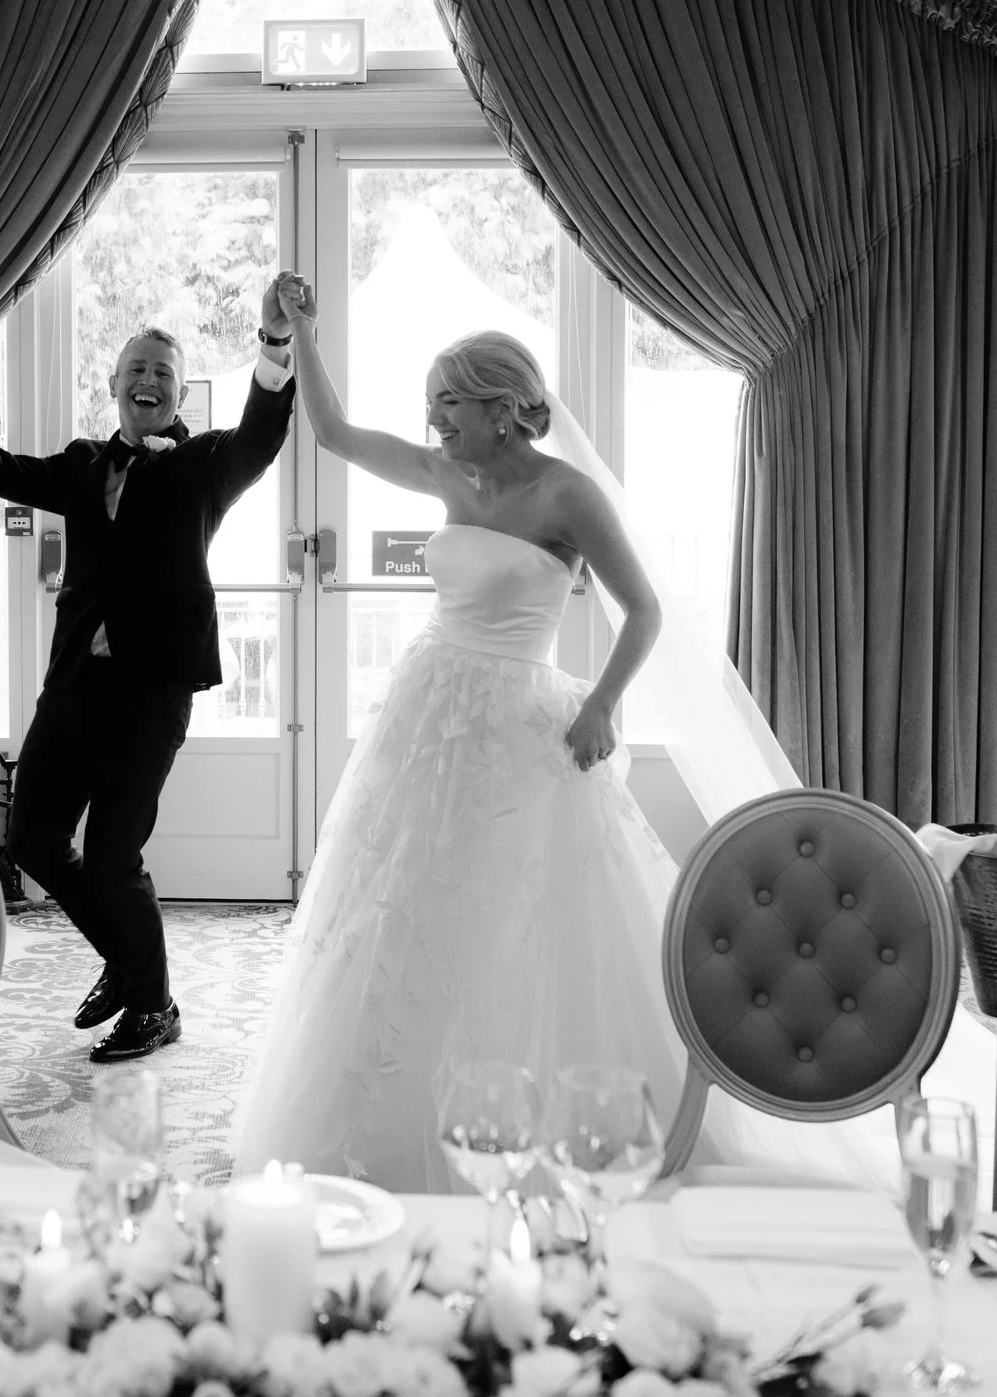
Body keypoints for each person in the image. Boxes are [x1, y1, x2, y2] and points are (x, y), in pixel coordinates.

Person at [231, 297, 692, 1190]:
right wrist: (300, 332)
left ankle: (519, 1120)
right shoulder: (448, 477)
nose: (434, 420)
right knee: (394, 902)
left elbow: (646, 610)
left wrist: (601, 705)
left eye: (448, 401)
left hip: (521, 725)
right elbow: (329, 428)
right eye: (432, 402)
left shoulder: (567, 494)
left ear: (501, 405)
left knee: (505, 910)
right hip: (427, 709)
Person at [0, 280, 295, 1063]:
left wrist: (273, 341)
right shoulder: (86, 462)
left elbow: (263, 434)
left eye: (163, 370)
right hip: (75, 686)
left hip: (153, 694)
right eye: (137, 369)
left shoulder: (204, 464)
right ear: (114, 384)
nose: (149, 381)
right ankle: (133, 968)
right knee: (32, 836)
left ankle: (151, 1004)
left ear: (179, 387)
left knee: (116, 850)